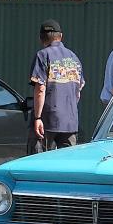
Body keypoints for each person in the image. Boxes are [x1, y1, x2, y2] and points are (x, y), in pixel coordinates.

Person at [28, 19, 85, 154]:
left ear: (41, 38)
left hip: (48, 121)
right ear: (61, 36)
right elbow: (78, 91)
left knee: (41, 164)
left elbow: (40, 89)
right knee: (68, 165)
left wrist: (37, 118)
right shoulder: (74, 58)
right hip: (70, 122)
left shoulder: (42, 55)